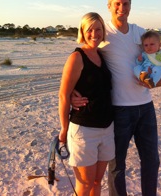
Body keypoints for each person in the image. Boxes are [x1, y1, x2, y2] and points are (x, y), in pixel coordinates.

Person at [72, 0, 161, 196]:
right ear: (109, 6)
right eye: (117, 4)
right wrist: (72, 93)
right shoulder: (101, 33)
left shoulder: (139, 33)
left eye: (125, 4)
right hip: (119, 110)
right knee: (117, 166)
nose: (121, 8)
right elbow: (81, 61)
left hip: (145, 107)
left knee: (152, 160)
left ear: (130, 6)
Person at [58, 12, 115, 196]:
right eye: (89, 30)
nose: (94, 34)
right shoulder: (77, 57)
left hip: (107, 129)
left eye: (98, 29)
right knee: (84, 185)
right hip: (84, 131)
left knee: (97, 182)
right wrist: (64, 129)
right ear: (82, 31)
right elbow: (64, 95)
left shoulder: (103, 55)